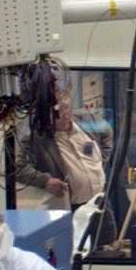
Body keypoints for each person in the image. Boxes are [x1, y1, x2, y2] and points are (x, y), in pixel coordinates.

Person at [15, 94, 116, 246]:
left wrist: (102, 160)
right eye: (56, 116)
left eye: (66, 113)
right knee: (75, 251)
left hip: (99, 202)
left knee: (106, 244)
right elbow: (18, 168)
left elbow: (107, 131)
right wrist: (45, 181)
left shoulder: (86, 120)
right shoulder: (37, 138)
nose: (62, 119)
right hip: (72, 209)